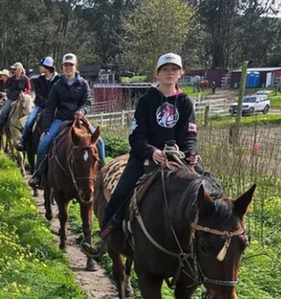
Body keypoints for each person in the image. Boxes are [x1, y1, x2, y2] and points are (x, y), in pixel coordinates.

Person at [86, 52, 198, 259]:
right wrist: (151, 151)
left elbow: (189, 134)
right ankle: (105, 237)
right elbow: (136, 136)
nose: (170, 73)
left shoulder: (185, 102)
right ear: (157, 74)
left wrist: (191, 152)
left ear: (181, 73)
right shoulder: (147, 100)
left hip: (177, 157)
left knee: (207, 187)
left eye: (174, 69)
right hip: (146, 156)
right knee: (121, 192)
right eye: (165, 69)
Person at [28, 53, 106, 188]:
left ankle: (102, 174)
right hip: (61, 120)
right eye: (65, 65)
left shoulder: (83, 84)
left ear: (76, 67)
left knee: (99, 142)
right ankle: (38, 174)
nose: (68, 68)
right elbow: (50, 108)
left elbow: (87, 102)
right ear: (62, 68)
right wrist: (46, 128)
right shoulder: (57, 86)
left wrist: (82, 111)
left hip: (80, 120)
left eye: (71, 65)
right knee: (44, 142)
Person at [16, 56, 58, 151]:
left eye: (41, 65)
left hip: (55, 106)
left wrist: (53, 105)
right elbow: (38, 96)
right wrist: (47, 104)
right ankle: (23, 141)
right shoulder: (39, 80)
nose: (39, 67)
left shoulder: (58, 79)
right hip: (40, 106)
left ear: (46, 67)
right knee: (29, 121)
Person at [0, 62, 32, 131]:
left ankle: (29, 128)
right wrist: (8, 78)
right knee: (4, 111)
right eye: (13, 69)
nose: (13, 71)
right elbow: (6, 86)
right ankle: (0, 124)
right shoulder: (11, 78)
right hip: (12, 98)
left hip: (21, 99)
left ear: (20, 70)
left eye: (15, 69)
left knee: (28, 111)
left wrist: (24, 93)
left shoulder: (25, 78)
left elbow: (29, 89)